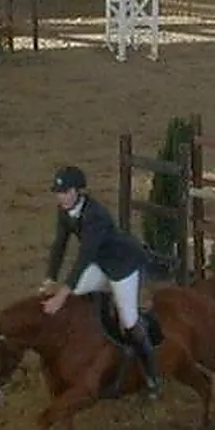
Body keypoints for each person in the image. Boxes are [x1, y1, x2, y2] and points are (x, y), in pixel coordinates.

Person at [40, 165, 161, 398]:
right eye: (58, 192)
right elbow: (59, 245)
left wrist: (60, 295)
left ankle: (152, 373)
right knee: (75, 295)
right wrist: (50, 279)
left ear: (78, 191)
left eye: (65, 192)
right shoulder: (65, 211)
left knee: (129, 321)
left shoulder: (95, 216)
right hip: (101, 263)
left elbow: (83, 258)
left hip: (122, 267)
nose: (60, 197)